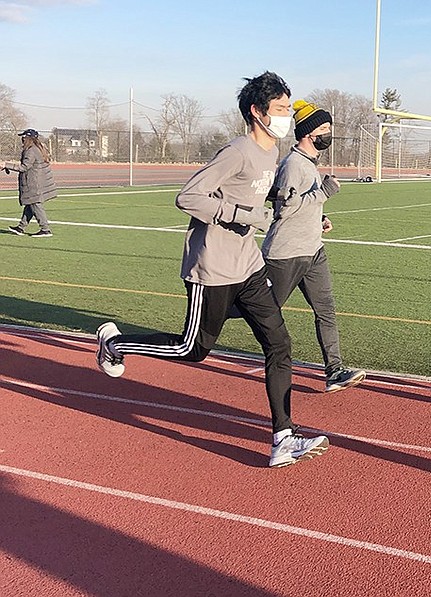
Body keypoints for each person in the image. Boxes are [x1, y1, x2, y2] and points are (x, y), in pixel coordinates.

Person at [94, 71, 330, 468]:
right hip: (214, 268)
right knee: (194, 349)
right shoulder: (236, 151)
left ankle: (283, 437)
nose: (288, 116)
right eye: (281, 109)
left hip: (249, 266)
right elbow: (188, 197)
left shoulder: (272, 153)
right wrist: (238, 215)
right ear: (257, 113)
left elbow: (255, 190)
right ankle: (114, 344)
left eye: (289, 108)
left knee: (279, 344)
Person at [261, 99, 368, 393]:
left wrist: (320, 217)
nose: (328, 133)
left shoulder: (309, 163)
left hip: (313, 251)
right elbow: (285, 209)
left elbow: (303, 206)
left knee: (326, 310)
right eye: (324, 128)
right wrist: (324, 193)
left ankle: (334, 371)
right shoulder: (294, 165)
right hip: (286, 255)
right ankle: (203, 328)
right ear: (308, 134)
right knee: (260, 310)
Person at [4, 129, 57, 237]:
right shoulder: (38, 149)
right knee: (30, 204)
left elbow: (24, 167)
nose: (22, 140)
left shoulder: (31, 150)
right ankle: (21, 227)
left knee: (35, 205)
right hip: (36, 181)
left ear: (28, 138)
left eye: (23, 138)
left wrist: (6, 165)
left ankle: (45, 229)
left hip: (32, 183)